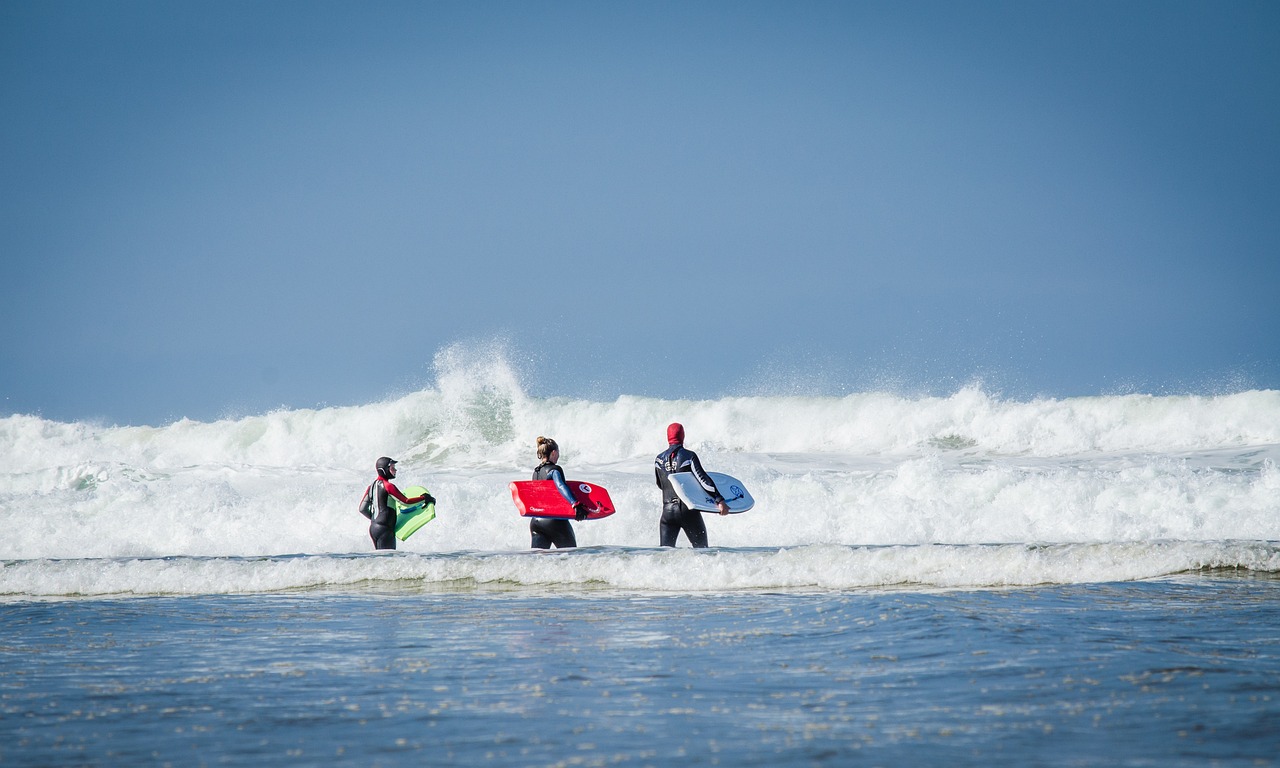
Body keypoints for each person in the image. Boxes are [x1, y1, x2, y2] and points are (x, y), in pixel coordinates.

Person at [654, 422, 729, 548]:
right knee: (702, 551)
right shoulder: (689, 456)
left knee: (665, 555)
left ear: (668, 437)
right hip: (688, 512)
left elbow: (660, 484)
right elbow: (703, 480)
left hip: (667, 513)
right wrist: (719, 499)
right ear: (683, 436)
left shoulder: (658, 459)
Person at [357, 456, 434, 550]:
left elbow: (362, 508)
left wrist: (376, 520)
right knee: (387, 559)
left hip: (374, 528)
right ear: (384, 470)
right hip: (385, 529)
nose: (395, 470)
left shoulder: (371, 487)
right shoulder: (388, 486)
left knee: (380, 558)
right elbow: (405, 502)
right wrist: (425, 498)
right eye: (392, 468)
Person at [529, 436, 587, 549]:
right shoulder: (554, 469)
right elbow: (560, 485)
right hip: (554, 521)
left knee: (539, 560)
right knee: (571, 556)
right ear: (554, 452)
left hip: (536, 521)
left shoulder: (535, 472)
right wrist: (575, 504)